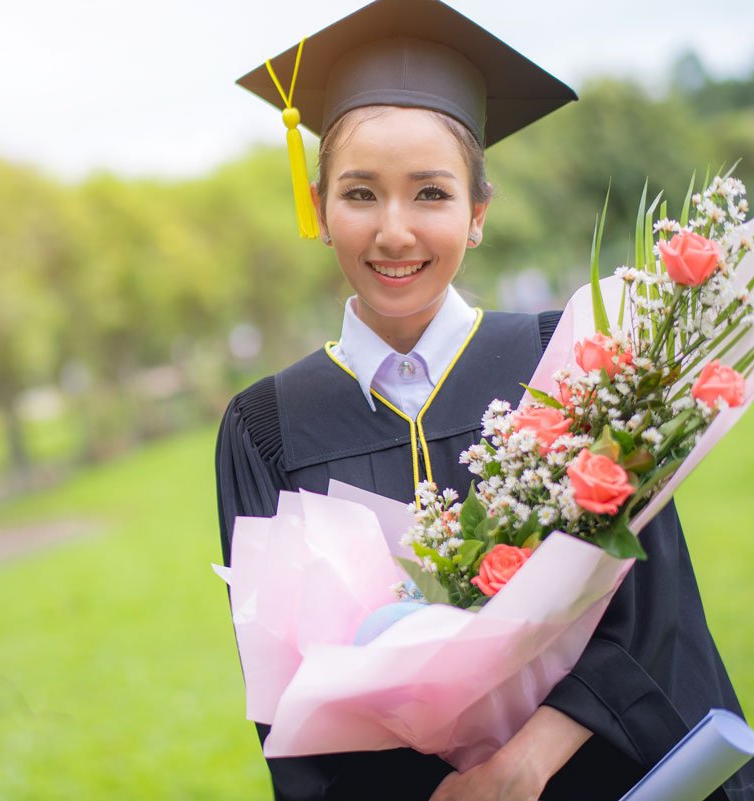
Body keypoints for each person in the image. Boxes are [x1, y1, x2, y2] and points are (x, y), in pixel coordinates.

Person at [214, 1, 754, 799]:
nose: (393, 231)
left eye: (430, 193)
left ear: (478, 213)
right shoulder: (266, 427)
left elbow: (652, 601)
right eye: (360, 194)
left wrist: (522, 763)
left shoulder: (570, 357)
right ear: (320, 207)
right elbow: (287, 704)